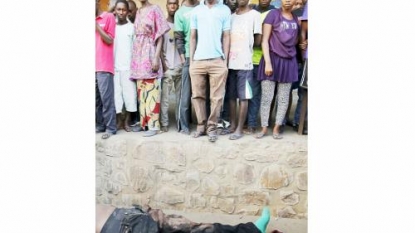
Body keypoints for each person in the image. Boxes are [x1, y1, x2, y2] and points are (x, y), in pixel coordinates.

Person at [255, 0, 300, 139]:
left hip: (289, 62)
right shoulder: (273, 14)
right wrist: (268, 63)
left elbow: (296, 41)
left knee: (284, 98)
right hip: (272, 60)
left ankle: (276, 128)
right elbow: (264, 40)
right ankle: (263, 128)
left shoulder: (296, 18)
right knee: (267, 97)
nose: (287, 0)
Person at [189, 0, 231, 142]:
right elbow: (193, 37)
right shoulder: (196, 11)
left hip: (217, 60)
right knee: (197, 95)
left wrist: (225, 61)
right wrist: (191, 62)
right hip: (198, 60)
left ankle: (211, 127)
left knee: (217, 97)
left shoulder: (224, 10)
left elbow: (226, 36)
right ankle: (201, 126)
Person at [130, 0, 170, 137]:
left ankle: (154, 125)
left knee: (152, 90)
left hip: (150, 52)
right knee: (142, 91)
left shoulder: (155, 9)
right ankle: (144, 124)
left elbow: (160, 37)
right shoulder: (139, 11)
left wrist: (156, 57)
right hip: (138, 56)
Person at [96, 204, 271, 233]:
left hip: (127, 217)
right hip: (126, 227)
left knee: (194, 228)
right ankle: (252, 230)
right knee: (196, 230)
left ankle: (252, 230)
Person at [226, 0, 262, 140]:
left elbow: (258, 39)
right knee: (231, 96)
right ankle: (233, 126)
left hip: (245, 62)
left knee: (244, 97)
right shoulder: (231, 16)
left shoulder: (254, 15)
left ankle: (240, 129)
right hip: (230, 63)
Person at [243, 0, 275, 135]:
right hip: (250, 59)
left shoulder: (274, 12)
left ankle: (253, 124)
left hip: (267, 60)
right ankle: (248, 122)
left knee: (261, 95)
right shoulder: (250, 11)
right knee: (249, 94)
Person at [174, 0, 199, 135]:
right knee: (185, 93)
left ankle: (204, 125)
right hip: (189, 57)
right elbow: (179, 38)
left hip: (204, 56)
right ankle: (184, 126)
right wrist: (183, 58)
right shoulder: (180, 13)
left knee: (203, 93)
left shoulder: (203, 8)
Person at [113, 0, 138, 133]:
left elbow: (135, 48)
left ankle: (127, 122)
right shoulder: (112, 27)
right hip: (115, 68)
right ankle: (118, 121)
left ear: (128, 12)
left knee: (130, 96)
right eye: (119, 9)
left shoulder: (132, 27)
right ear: (115, 11)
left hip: (128, 68)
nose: (121, 12)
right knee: (116, 96)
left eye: (124, 10)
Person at [96, 0, 117, 139]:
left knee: (106, 99)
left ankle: (110, 128)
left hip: (104, 66)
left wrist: (96, 26)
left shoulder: (108, 17)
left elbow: (109, 39)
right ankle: (100, 126)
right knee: (95, 100)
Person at [160, 0, 183, 133]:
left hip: (180, 66)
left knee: (181, 98)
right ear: (167, 6)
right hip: (167, 66)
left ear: (178, 6)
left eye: (175, 3)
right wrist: (164, 66)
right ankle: (164, 123)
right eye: (170, 3)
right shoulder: (162, 24)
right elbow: (159, 46)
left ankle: (180, 123)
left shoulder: (180, 23)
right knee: (165, 99)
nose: (172, 6)